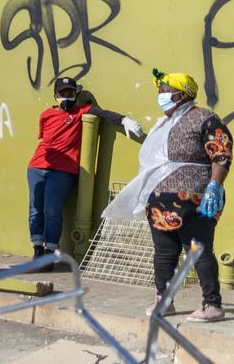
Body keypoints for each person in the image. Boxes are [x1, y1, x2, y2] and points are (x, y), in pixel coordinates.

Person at [102, 70, 230, 323]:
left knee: (198, 250)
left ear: (181, 94)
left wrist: (215, 185)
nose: (160, 96)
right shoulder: (164, 123)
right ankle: (164, 299)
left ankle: (212, 304)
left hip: (193, 198)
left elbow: (221, 152)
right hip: (159, 200)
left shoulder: (204, 118)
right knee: (164, 252)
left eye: (164, 91)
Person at [26, 76, 142, 270]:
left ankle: (49, 252)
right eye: (62, 94)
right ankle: (37, 248)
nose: (66, 98)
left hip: (63, 170)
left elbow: (104, 114)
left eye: (70, 93)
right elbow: (44, 139)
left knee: (52, 210)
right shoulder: (46, 115)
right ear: (55, 95)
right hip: (37, 166)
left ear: (76, 94)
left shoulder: (82, 111)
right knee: (35, 209)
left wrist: (124, 120)